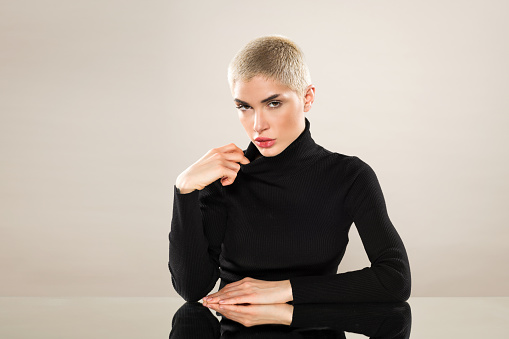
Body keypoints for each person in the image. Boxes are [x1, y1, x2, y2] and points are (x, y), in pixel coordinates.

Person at [169, 35, 411, 305]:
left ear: (307, 98)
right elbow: (192, 290)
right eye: (244, 107)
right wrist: (184, 190)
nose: (258, 125)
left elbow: (395, 280)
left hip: (317, 329)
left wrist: (286, 291)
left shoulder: (349, 176)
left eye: (273, 103)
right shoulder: (225, 177)